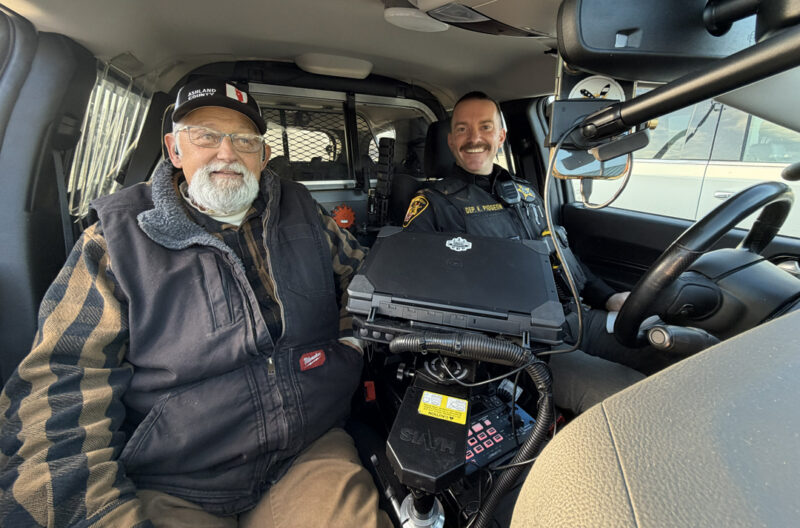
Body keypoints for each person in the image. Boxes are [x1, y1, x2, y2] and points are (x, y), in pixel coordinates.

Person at [0, 79, 391, 528]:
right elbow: (61, 389)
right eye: (205, 135)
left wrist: (350, 347)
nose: (227, 153)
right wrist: (101, 514)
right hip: (174, 479)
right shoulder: (114, 241)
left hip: (309, 448)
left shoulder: (302, 210)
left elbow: (366, 285)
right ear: (174, 149)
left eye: (245, 140)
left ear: (263, 157)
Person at [402, 91, 659, 414]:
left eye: (484, 127)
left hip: (575, 317)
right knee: (635, 400)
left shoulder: (525, 192)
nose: (474, 138)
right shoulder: (432, 205)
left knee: (674, 346)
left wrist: (608, 298)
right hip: (519, 346)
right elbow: (418, 293)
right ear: (451, 140)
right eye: (463, 129)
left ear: (501, 136)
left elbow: (561, 256)